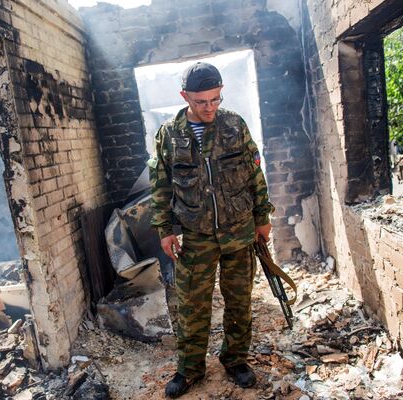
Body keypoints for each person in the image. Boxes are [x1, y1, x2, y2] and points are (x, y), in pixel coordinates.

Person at [148, 61, 274, 398]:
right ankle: (190, 369)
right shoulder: (169, 135)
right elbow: (160, 186)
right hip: (196, 236)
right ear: (184, 96)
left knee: (239, 302)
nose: (209, 108)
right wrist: (164, 228)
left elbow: (254, 174)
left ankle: (235, 360)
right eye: (201, 101)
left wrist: (263, 216)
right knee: (192, 306)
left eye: (215, 100)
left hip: (239, 231)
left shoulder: (235, 125)